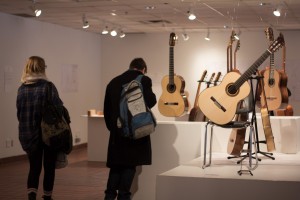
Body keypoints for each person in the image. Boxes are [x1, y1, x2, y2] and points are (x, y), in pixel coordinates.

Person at [103, 58, 157, 200]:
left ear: (130, 67)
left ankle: (109, 196)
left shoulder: (113, 82)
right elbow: (150, 102)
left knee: (116, 166)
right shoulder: (144, 80)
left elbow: (107, 111)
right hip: (135, 132)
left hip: (117, 133)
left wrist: (114, 129)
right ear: (143, 69)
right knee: (129, 166)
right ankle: (123, 196)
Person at [17, 56, 64, 200]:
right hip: (48, 133)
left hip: (28, 133)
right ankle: (47, 197)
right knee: (49, 167)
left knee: (34, 167)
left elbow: (19, 113)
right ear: (42, 68)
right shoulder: (48, 87)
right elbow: (59, 109)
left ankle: (31, 197)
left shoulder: (21, 89)